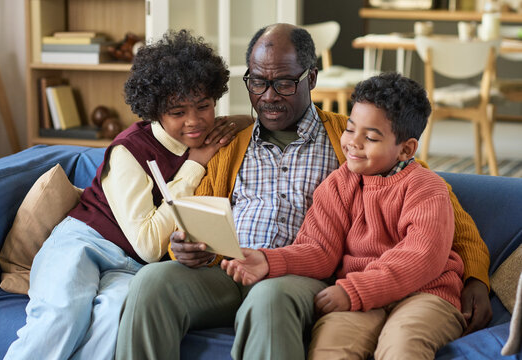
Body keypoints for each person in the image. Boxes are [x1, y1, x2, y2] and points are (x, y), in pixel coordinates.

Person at [115, 23, 491, 360]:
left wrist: (475, 277)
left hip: (299, 276)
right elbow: (195, 212)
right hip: (227, 267)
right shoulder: (228, 141)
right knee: (152, 283)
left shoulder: (354, 136)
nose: (269, 96)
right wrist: (182, 246)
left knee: (269, 297)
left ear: (311, 77)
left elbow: (442, 211)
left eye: (284, 83)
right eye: (258, 82)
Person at [4, 29, 251, 360]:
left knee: (115, 317)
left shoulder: (210, 134)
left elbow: (254, 122)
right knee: (63, 313)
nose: (194, 121)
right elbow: (149, 245)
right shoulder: (129, 151)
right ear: (154, 111)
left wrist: (236, 122)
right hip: (84, 243)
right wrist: (194, 166)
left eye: (203, 106)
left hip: (129, 269)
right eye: (178, 112)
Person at [222, 72, 466, 359]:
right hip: (359, 298)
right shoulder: (338, 184)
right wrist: (268, 260)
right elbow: (320, 250)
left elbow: (420, 257)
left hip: (425, 295)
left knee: (402, 345)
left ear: (406, 149)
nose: (353, 143)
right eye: (350, 129)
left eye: (371, 137)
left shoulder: (427, 187)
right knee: (330, 350)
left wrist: (355, 290)